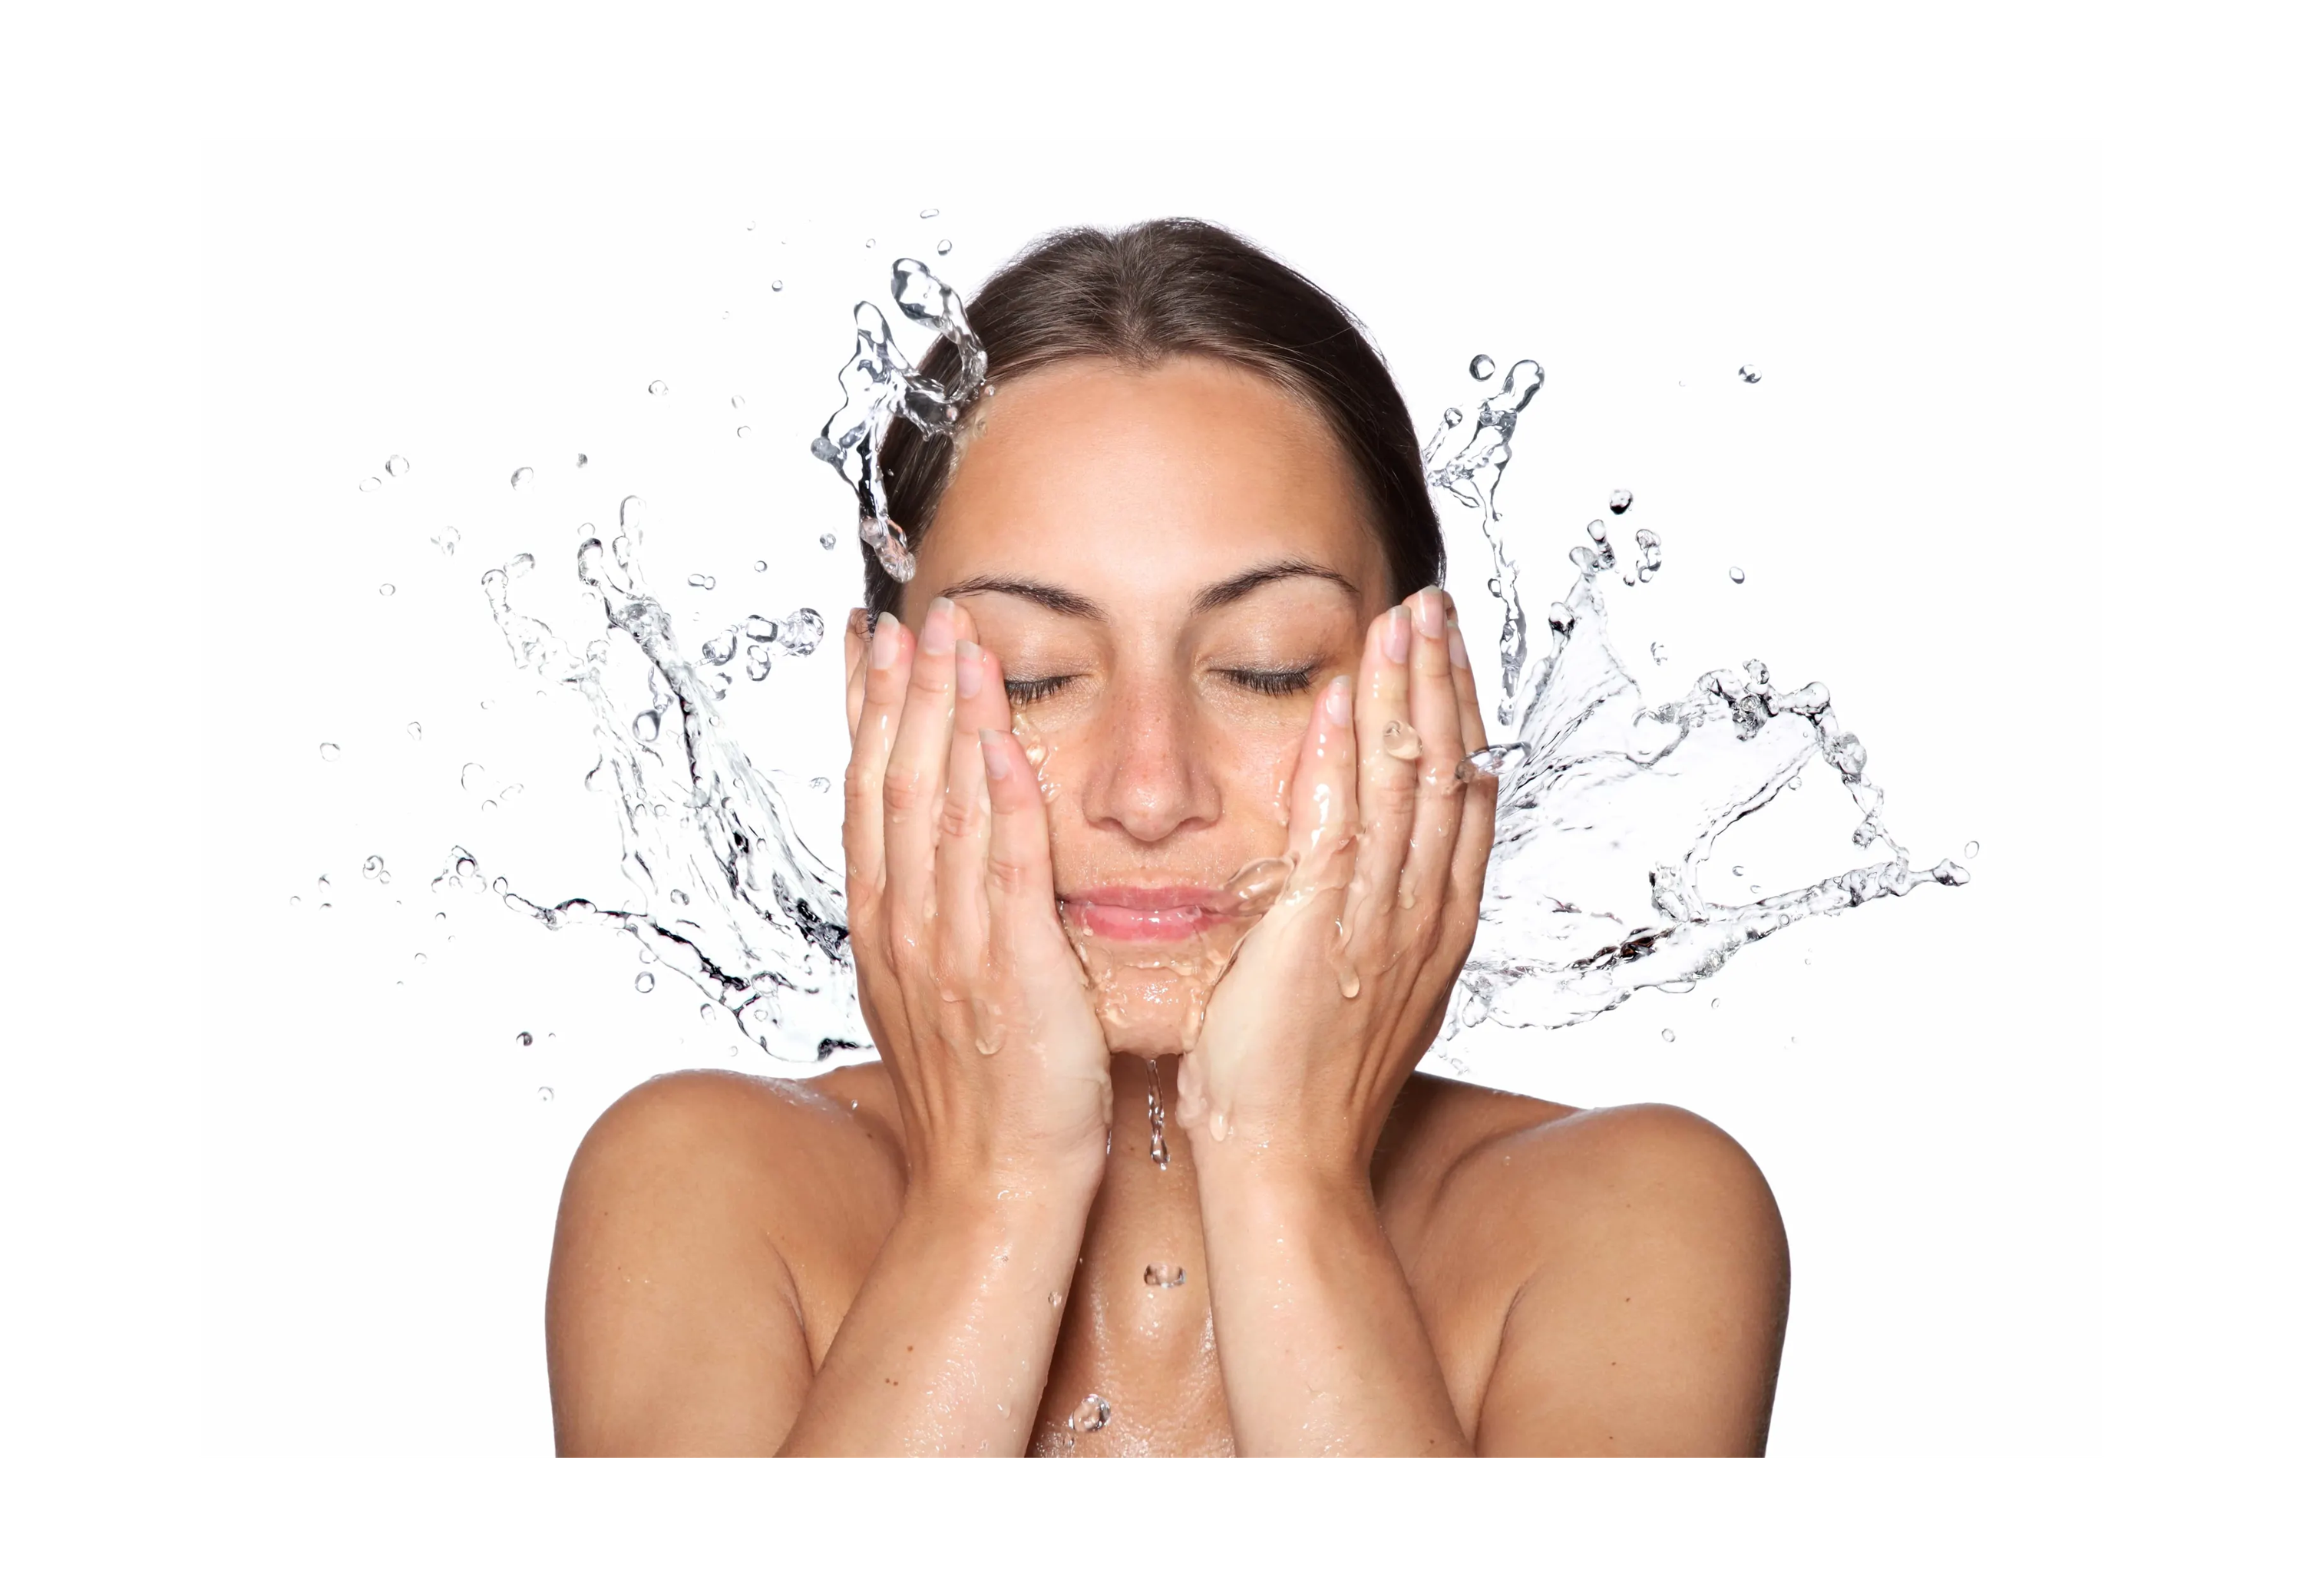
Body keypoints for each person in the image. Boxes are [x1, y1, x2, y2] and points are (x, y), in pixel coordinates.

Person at [546, 220, 1789, 1456]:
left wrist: (1283, 1171)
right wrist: (998, 1192)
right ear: (880, 713)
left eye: (1265, 668)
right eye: (1031, 677)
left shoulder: (1630, 1220)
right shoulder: (702, 1190)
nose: (1150, 791)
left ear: (1428, 705)